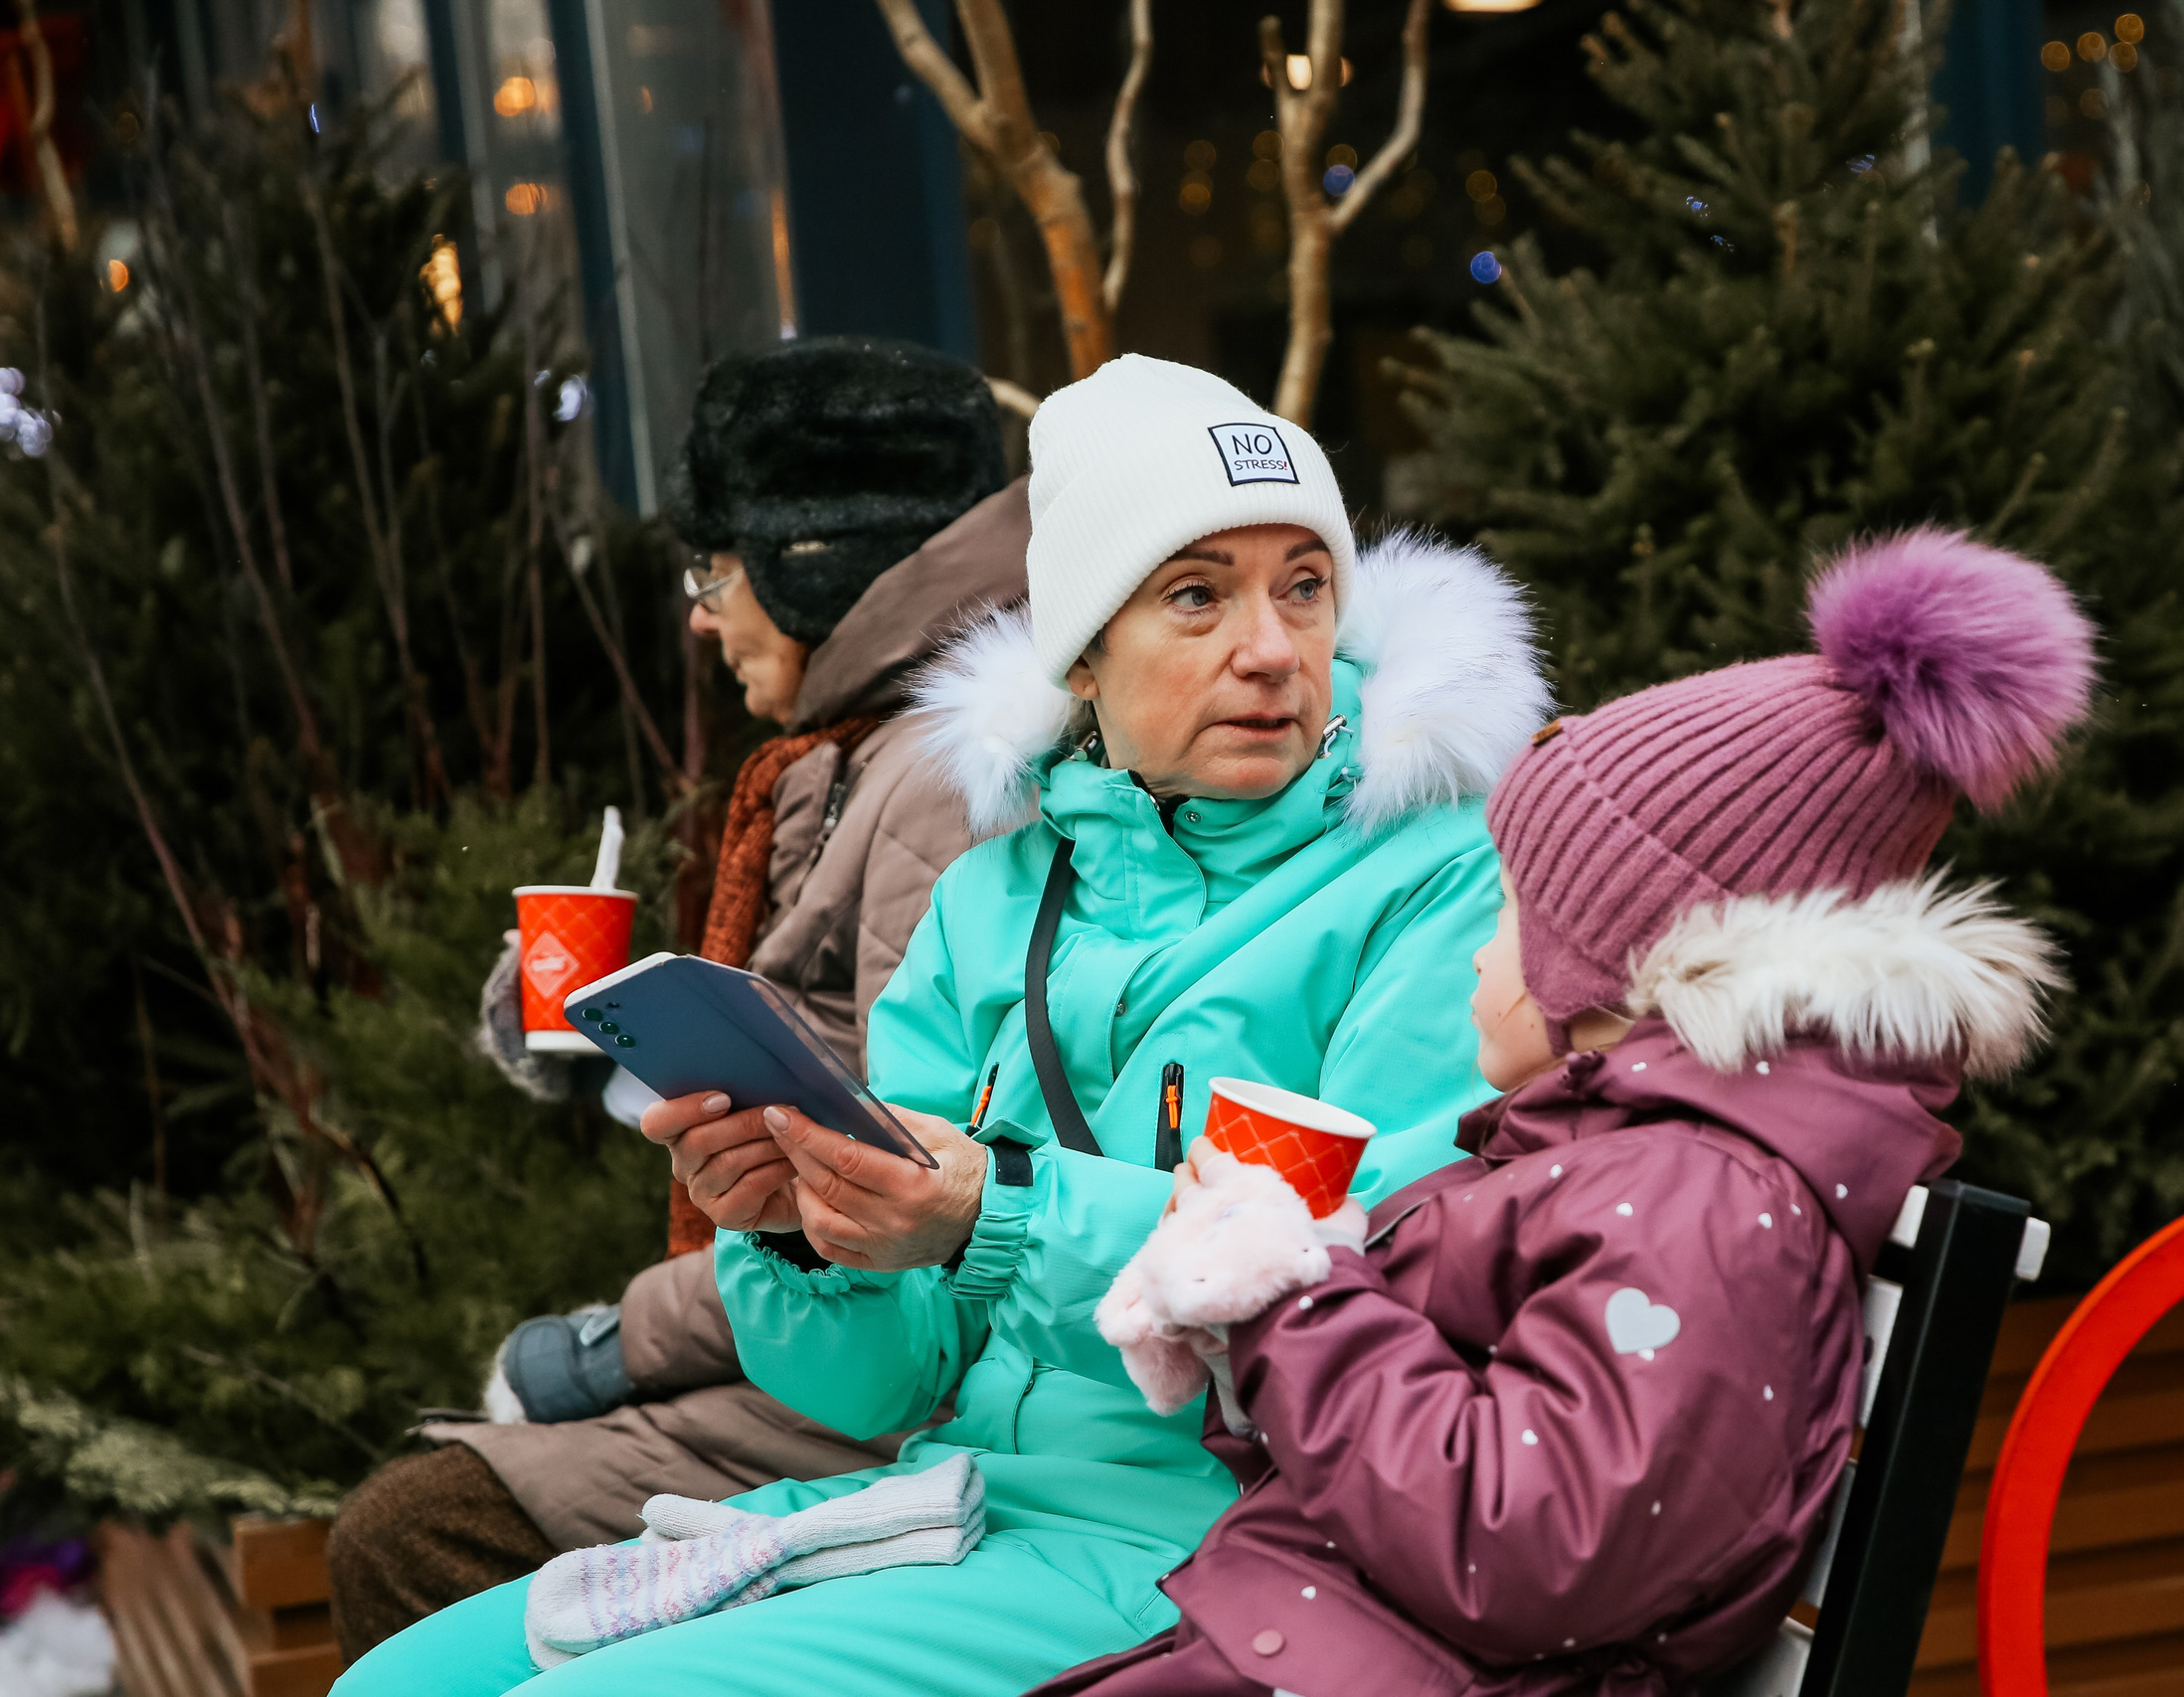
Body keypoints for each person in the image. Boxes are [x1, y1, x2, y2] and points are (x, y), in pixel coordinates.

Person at [333, 352, 1552, 1695]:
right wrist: (797, 1231)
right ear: (1081, 651)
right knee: (395, 1685)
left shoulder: (1438, 874)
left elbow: (1388, 1277)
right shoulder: (996, 897)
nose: (1270, 647)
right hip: (950, 1502)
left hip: (1229, 1539)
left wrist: (998, 1210)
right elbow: (883, 1384)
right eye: (1197, 595)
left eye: (1304, 585)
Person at [1050, 529, 2094, 1696]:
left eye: (1508, 908)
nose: (1478, 950)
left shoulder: (1697, 1206)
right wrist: (1259, 1311)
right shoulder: (1608, 1156)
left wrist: (1296, 1302)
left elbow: (1524, 1547)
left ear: (1607, 952)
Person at [326, 336, 1025, 1661]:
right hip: (820, 1348)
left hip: (897, 1400)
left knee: (415, 1531)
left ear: (815, 560)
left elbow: (885, 1173)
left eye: (716, 570)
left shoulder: (940, 774)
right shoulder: (859, 754)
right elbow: (820, 1070)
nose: (701, 617)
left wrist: (611, 1346)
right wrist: (613, 1055)